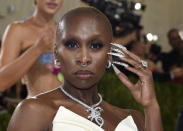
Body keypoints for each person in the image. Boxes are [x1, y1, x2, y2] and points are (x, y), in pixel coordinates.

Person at [7, 7, 163, 131]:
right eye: (72, 45)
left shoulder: (134, 118)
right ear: (56, 54)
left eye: (95, 46)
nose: (84, 58)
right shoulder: (34, 111)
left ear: (109, 55)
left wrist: (151, 106)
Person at [0, 0, 64, 98]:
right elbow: (2, 82)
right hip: (35, 110)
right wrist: (37, 49)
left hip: (66, 110)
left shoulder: (67, 33)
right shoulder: (18, 30)